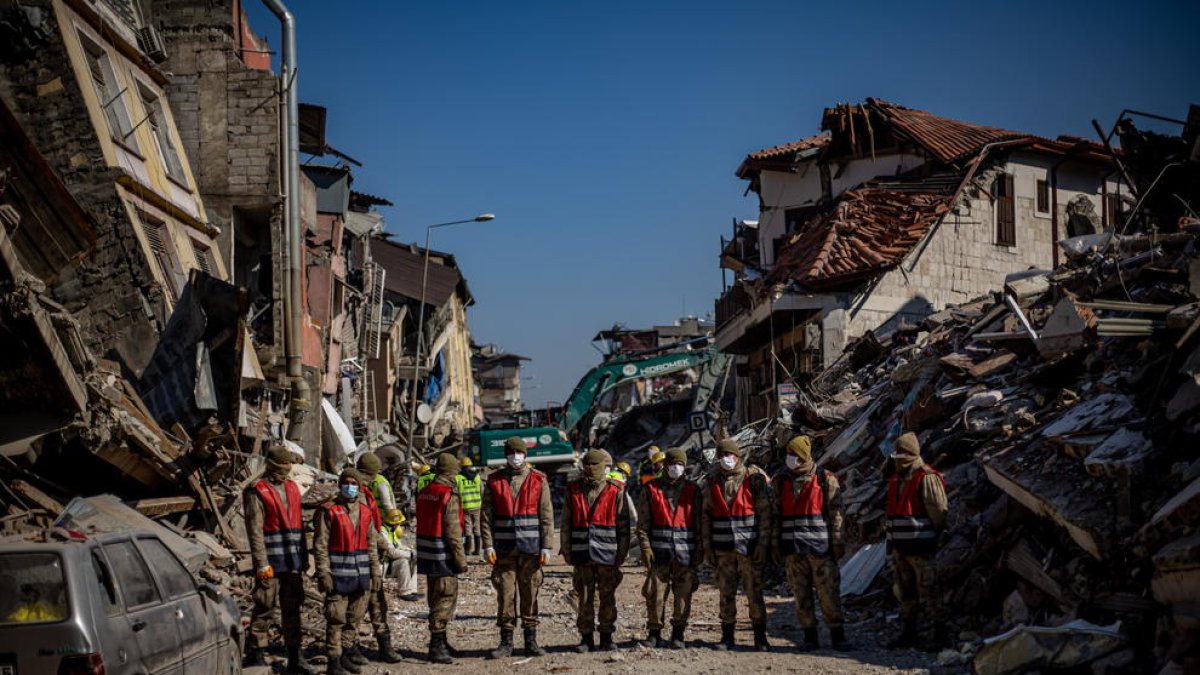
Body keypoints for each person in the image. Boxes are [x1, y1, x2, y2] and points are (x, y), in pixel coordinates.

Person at [772, 435, 850, 651]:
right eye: (788, 454)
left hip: (820, 550)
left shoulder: (825, 479)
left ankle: (837, 635)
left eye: (793, 455)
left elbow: (837, 514)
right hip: (793, 550)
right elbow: (775, 515)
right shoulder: (781, 481)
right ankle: (809, 636)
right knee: (801, 595)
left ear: (803, 456)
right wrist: (775, 545)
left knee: (828, 594)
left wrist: (838, 543)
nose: (789, 458)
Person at [481, 436, 555, 659]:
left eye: (519, 452)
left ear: (526, 455)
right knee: (505, 594)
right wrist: (487, 545)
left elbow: (547, 516)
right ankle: (506, 642)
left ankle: (531, 641)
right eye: (511, 452)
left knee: (530, 593)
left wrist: (547, 546)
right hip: (503, 550)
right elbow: (486, 516)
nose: (516, 456)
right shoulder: (493, 481)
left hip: (531, 549)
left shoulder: (538, 480)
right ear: (506, 455)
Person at [242, 446, 314, 673]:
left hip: (292, 560)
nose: (284, 475)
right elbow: (255, 530)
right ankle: (256, 651)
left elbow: (300, 527)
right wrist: (261, 563)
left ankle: (295, 655)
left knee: (292, 607)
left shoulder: (292, 489)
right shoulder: (257, 491)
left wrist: (303, 557)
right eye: (280, 470)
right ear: (270, 467)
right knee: (265, 605)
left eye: (287, 470)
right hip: (271, 560)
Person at [701, 438, 772, 651]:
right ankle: (727, 636)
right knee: (726, 592)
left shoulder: (753, 479)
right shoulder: (712, 481)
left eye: (728, 455)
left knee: (754, 592)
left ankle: (760, 638)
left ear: (737, 456)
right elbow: (705, 517)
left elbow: (765, 514)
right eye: (721, 456)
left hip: (749, 548)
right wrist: (707, 548)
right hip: (723, 549)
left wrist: (763, 545)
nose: (725, 460)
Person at [560, 449, 631, 653]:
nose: (591, 468)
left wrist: (622, 553)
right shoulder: (573, 490)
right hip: (582, 554)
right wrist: (566, 550)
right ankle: (586, 637)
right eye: (587, 464)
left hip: (607, 556)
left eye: (595, 464)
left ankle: (607, 636)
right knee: (584, 598)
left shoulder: (616, 490)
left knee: (607, 597)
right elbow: (566, 523)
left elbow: (623, 527)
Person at [314, 469, 381, 675]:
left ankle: (345, 655)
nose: (349, 486)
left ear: (359, 486)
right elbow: (320, 545)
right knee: (336, 619)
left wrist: (375, 572)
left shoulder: (365, 511)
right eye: (346, 482)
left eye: (353, 482)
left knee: (354, 619)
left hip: (360, 576)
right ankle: (333, 661)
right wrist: (323, 573)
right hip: (338, 576)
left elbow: (372, 545)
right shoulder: (328, 510)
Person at [885, 432, 948, 650]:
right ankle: (909, 632)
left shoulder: (926, 477)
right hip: (900, 549)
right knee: (905, 592)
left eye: (902, 453)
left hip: (920, 547)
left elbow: (938, 512)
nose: (898, 458)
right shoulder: (896, 479)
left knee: (929, 590)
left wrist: (931, 535)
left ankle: (940, 634)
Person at [636, 447, 701, 649]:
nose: (676, 468)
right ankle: (654, 633)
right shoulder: (650, 489)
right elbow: (643, 525)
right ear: (664, 465)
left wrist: (701, 550)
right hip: (659, 553)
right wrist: (645, 549)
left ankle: (678, 634)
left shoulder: (693, 490)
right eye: (673, 464)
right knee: (654, 593)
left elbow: (701, 523)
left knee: (683, 594)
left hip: (686, 554)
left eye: (680, 464)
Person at [416, 452, 469, 664]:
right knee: (445, 599)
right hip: (444, 556)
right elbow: (453, 531)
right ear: (452, 472)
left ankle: (443, 642)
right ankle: (436, 646)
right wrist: (461, 560)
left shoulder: (424, 491)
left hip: (427, 555)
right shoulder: (448, 495)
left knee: (434, 598)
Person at [355, 453, 402, 663]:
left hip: (372, 555)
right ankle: (349, 650)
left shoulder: (366, 491)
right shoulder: (356, 494)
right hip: (358, 557)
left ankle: (385, 646)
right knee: (356, 607)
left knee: (378, 603)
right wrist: (387, 546)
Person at [379, 508, 420, 601]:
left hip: (390, 562)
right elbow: (392, 552)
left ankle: (412, 590)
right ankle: (404, 592)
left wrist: (412, 552)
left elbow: (398, 546)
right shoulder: (383, 532)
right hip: (384, 565)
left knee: (415, 560)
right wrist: (409, 555)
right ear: (394, 523)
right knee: (403, 562)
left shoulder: (391, 531)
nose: (399, 525)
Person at [456, 456, 484, 556]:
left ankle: (467, 550)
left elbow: (456, 492)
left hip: (465, 506)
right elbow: (482, 490)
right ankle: (477, 550)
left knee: (467, 527)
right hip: (477, 505)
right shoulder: (477, 476)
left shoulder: (458, 478)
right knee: (477, 527)